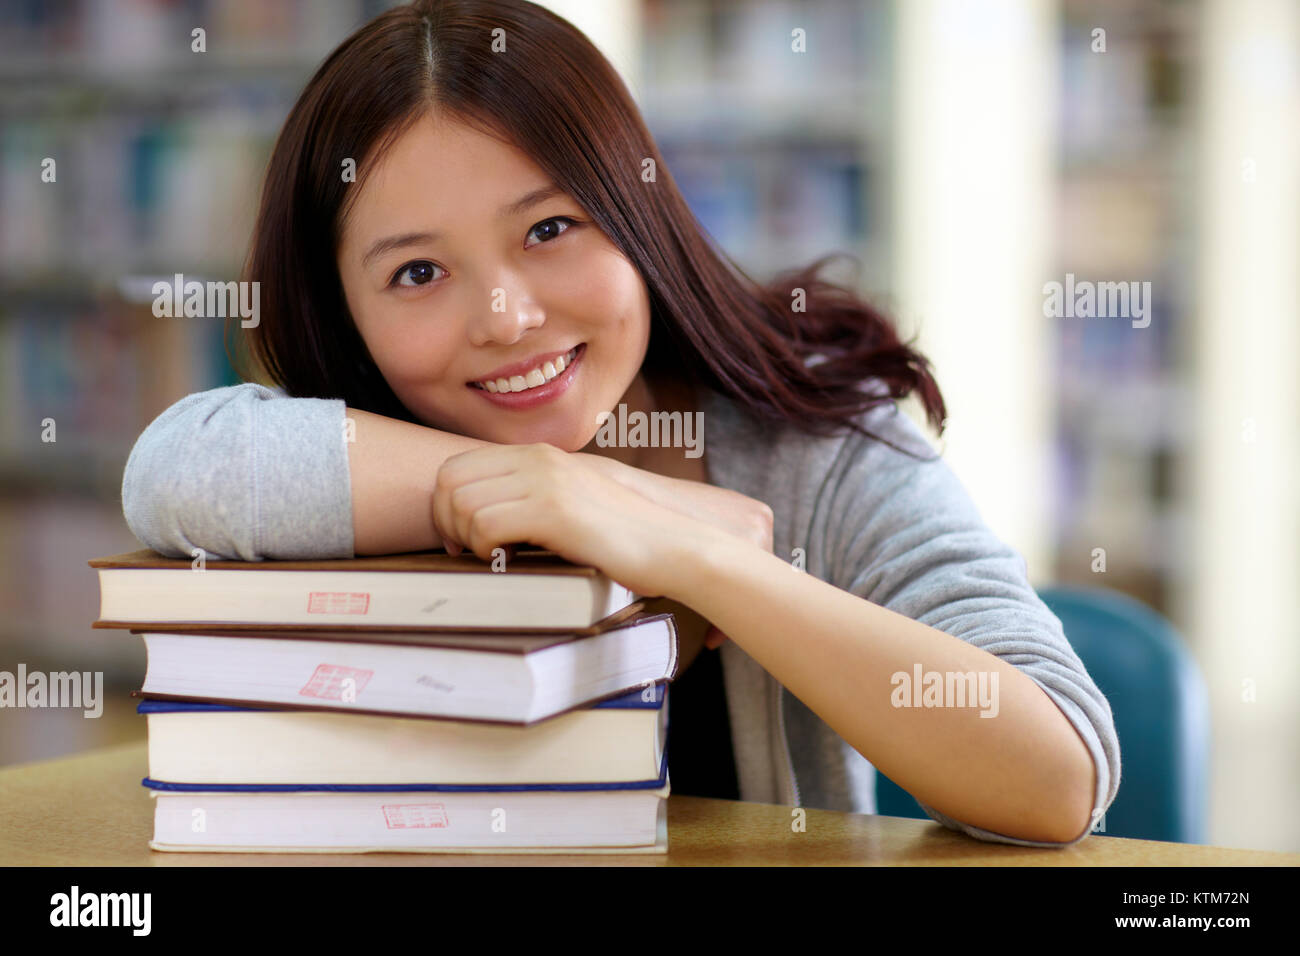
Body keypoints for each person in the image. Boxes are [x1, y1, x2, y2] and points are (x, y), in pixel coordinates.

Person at [122, 0, 1119, 846]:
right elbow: (173, 473)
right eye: (417, 272)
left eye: (550, 229)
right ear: (343, 308)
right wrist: (586, 489)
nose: (505, 317)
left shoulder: (806, 441)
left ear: (637, 217)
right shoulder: (364, 443)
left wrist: (705, 558)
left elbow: (1056, 774)